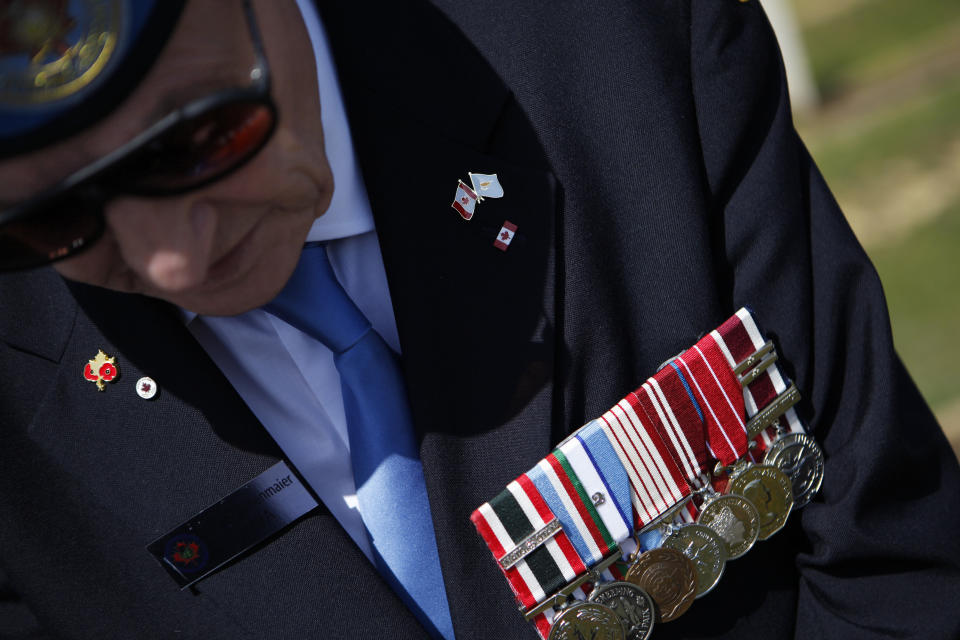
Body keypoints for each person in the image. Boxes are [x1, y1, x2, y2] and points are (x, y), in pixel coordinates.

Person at [1, 1, 958, 638]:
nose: (173, 259)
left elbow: (892, 554)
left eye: (199, 138)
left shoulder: (612, 40)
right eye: (56, 217)